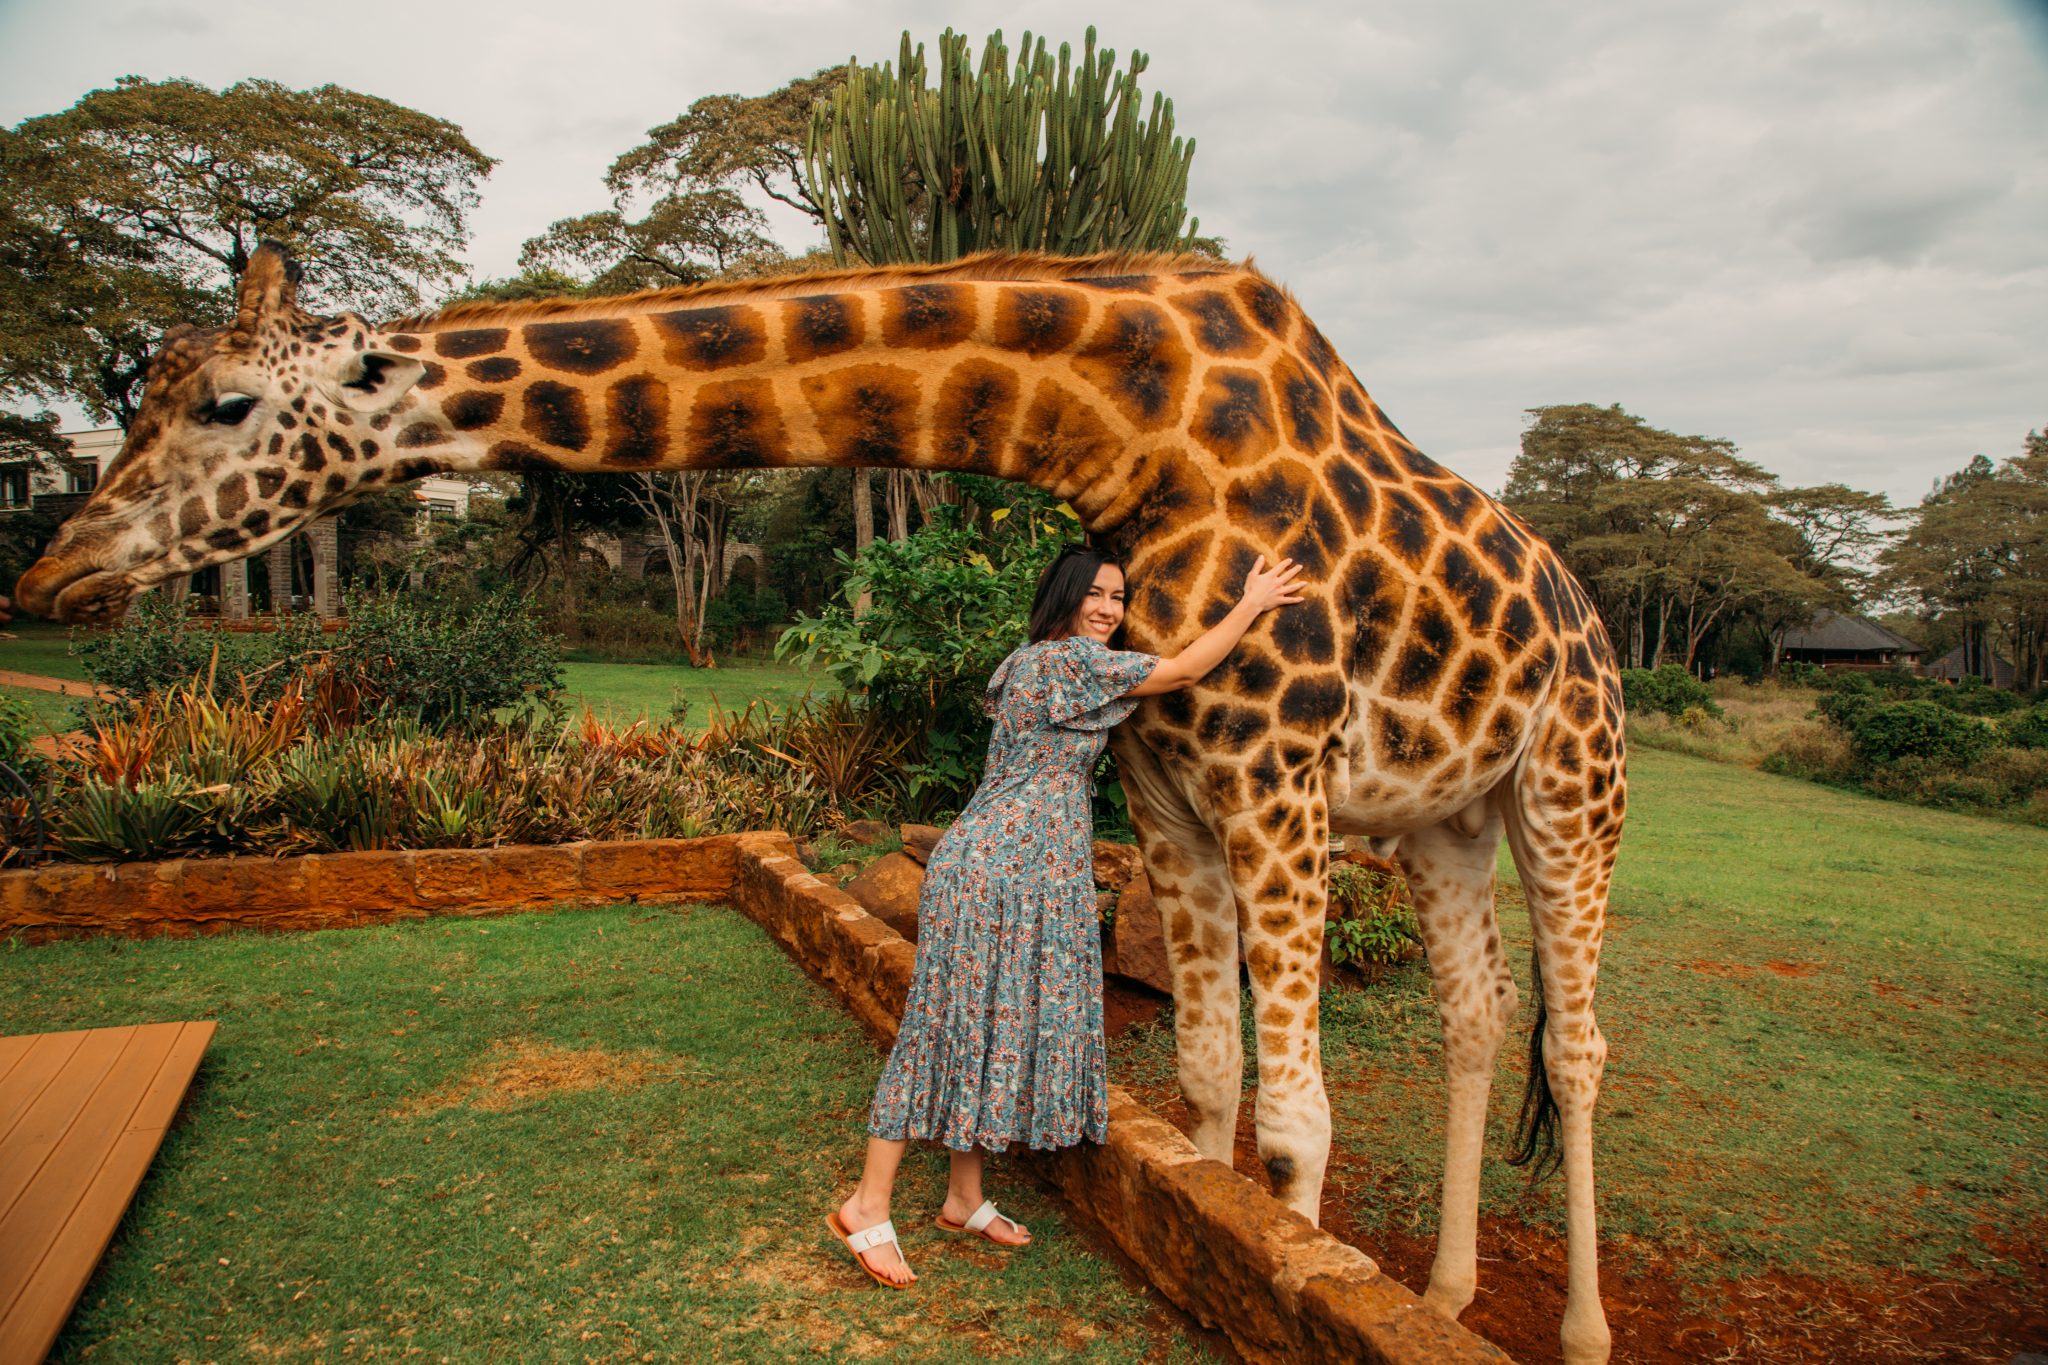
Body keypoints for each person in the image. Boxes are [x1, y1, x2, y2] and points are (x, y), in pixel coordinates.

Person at [828, 543, 1307, 1287]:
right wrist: (1251, 601)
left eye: (1119, 597)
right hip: (994, 875)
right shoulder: (1064, 663)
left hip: (1018, 875)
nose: (1109, 609)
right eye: (1096, 593)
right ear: (1065, 594)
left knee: (993, 1029)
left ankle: (965, 1196)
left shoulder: (1031, 661)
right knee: (941, 1034)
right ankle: (866, 1204)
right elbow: (1179, 671)